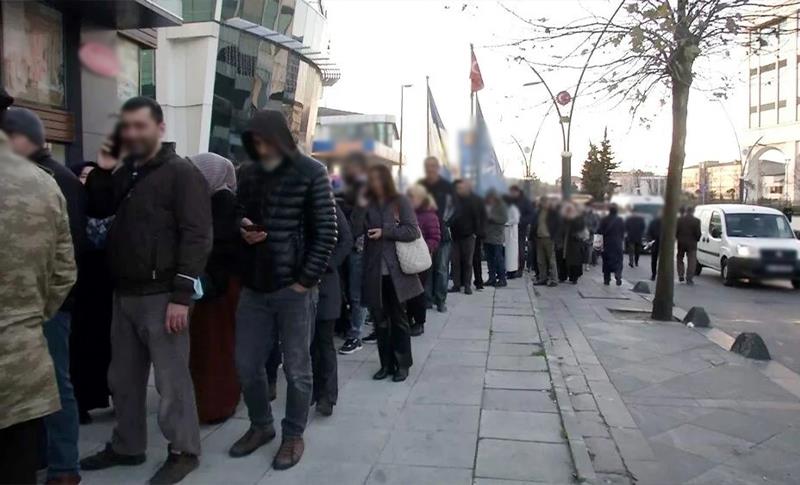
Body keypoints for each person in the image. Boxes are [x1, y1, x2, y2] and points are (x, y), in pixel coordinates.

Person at [79, 97, 212, 485]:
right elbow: (101, 206)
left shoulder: (181, 173)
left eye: (141, 126)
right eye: (128, 127)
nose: (133, 134)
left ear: (160, 128)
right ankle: (128, 445)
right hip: (125, 294)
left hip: (163, 296)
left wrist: (181, 296)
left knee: (171, 382)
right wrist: (103, 170)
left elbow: (198, 235)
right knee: (123, 378)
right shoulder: (128, 172)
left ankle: (184, 450)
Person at [228, 110, 336, 470]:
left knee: (297, 369)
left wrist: (304, 281)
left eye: (264, 140)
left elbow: (327, 232)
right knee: (246, 363)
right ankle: (261, 426)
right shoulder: (248, 173)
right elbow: (237, 212)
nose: (259, 147)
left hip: (295, 289)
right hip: (255, 285)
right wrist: (242, 226)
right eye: (253, 141)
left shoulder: (311, 172)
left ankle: (293, 434)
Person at [4, 107, 86, 484]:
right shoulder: (50, 180)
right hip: (36, 320)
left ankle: (64, 465)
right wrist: (35, 313)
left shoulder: (56, 178)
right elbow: (65, 265)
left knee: (59, 387)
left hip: (44, 316)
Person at [353, 164, 423, 382]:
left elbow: (412, 230)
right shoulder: (368, 203)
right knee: (379, 320)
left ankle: (402, 364)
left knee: (399, 318)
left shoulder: (399, 201)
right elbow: (355, 228)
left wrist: (386, 232)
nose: (373, 183)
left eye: (376, 179)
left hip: (396, 272)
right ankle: (385, 364)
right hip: (373, 271)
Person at [186, 153, 241, 425]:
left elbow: (217, 246)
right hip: (210, 284)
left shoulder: (223, 202)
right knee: (207, 347)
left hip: (218, 287)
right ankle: (209, 402)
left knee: (215, 348)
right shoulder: (211, 200)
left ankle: (216, 405)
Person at [311, 202, 352, 417]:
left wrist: (328, 264)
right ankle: (313, 389)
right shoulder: (295, 206)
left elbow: (346, 240)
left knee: (324, 341)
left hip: (326, 284)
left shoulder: (331, 208)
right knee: (308, 343)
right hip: (300, 285)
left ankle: (327, 395)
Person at [338, 152, 369, 354]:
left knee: (357, 293)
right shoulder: (341, 190)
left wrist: (361, 240)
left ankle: (356, 334)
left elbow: (368, 220)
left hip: (358, 247)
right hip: (341, 245)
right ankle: (347, 326)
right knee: (345, 291)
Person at [419, 156, 455, 312]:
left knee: (441, 268)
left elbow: (455, 208)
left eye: (433, 166)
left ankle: (440, 299)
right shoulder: (420, 185)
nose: (430, 169)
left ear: (438, 168)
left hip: (443, 234)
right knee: (426, 267)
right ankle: (427, 299)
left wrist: (447, 222)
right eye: (427, 166)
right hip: (425, 234)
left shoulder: (447, 186)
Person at [406, 184, 442, 336]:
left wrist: (423, 248)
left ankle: (419, 322)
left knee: (418, 291)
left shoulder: (429, 215)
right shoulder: (406, 213)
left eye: (411, 197)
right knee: (406, 291)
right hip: (407, 258)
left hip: (421, 259)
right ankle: (407, 319)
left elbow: (435, 238)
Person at [449, 179, 480, 294]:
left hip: (468, 236)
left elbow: (477, 218)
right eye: (457, 188)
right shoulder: (454, 201)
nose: (459, 190)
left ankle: (467, 285)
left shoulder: (471, 201)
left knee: (468, 262)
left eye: (461, 188)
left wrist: (475, 233)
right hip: (455, 236)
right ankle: (457, 284)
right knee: (455, 261)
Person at [532, 197, 561, 287]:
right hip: (539, 238)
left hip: (549, 238)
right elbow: (534, 223)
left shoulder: (553, 213)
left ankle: (554, 279)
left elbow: (558, 226)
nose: (543, 204)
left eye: (545, 202)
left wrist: (555, 237)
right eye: (542, 202)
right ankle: (542, 278)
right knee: (540, 260)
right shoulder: (538, 212)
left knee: (551, 260)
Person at [507, 185, 534, 278]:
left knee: (520, 250)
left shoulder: (525, 201)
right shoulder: (509, 201)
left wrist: (520, 221)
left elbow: (530, 215)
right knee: (510, 250)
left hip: (520, 229)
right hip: (509, 229)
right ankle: (510, 269)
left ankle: (519, 269)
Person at [484, 190, 509, 287]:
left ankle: (502, 279)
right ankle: (492, 278)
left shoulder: (501, 206)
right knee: (489, 259)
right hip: (487, 236)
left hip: (497, 236)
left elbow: (504, 219)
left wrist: (491, 218)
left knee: (498, 258)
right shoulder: (488, 205)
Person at [598, 204, 626, 286]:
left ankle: (607, 279)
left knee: (606, 261)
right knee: (618, 261)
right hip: (617, 244)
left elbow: (599, 231)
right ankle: (618, 275)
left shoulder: (604, 220)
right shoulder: (620, 220)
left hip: (607, 244)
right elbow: (623, 231)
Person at [561, 203, 587, 284]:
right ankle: (565, 276)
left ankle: (574, 277)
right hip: (567, 242)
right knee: (566, 260)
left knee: (574, 261)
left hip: (575, 243)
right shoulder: (566, 218)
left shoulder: (578, 218)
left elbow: (580, 229)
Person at [470, 181, 488, 290]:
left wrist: (477, 232)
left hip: (474, 233)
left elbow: (480, 218)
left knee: (474, 259)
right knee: (476, 259)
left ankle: (477, 281)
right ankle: (479, 281)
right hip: (476, 233)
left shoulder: (475, 201)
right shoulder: (480, 200)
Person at [676, 206, 702, 285]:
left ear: (686, 211)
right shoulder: (696, 221)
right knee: (692, 261)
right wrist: (696, 239)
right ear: (693, 212)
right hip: (692, 243)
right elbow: (698, 233)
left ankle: (681, 274)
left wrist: (678, 238)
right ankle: (689, 278)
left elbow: (676, 231)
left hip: (681, 243)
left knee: (680, 259)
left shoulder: (679, 220)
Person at [504, 195, 521, 278]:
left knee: (512, 254)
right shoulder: (507, 208)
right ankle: (508, 271)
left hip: (512, 233)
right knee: (508, 254)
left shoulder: (513, 208)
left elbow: (516, 220)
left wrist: (507, 223)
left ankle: (512, 272)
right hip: (507, 234)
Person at [647, 210, 663, 281]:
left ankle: (653, 274)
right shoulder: (667, 222)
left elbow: (649, 232)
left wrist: (650, 241)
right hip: (663, 244)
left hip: (654, 243)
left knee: (654, 260)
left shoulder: (653, 222)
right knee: (662, 261)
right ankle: (661, 275)